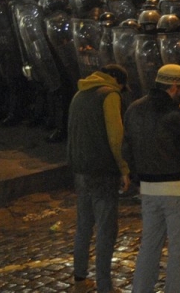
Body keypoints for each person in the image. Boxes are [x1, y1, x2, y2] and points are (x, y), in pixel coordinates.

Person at [122, 64, 180, 293]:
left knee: (149, 247)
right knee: (179, 251)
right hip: (177, 189)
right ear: (177, 87)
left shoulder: (134, 109)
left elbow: (126, 147)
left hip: (148, 188)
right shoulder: (176, 112)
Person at [67, 65, 132, 293]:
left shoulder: (79, 94)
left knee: (84, 226)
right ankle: (104, 285)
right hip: (103, 171)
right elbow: (116, 136)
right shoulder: (110, 95)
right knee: (106, 229)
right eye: (122, 86)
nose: (122, 91)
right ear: (116, 80)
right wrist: (124, 168)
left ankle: (79, 280)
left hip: (80, 170)